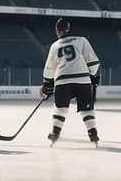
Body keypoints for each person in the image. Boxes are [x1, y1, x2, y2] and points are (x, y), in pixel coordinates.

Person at [41, 18, 101, 147]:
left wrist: (47, 83)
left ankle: (55, 133)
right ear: (68, 29)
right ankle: (92, 133)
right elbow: (94, 62)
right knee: (87, 110)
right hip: (82, 80)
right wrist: (92, 76)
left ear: (57, 31)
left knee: (60, 109)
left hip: (63, 81)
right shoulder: (82, 40)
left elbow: (49, 68)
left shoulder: (55, 45)